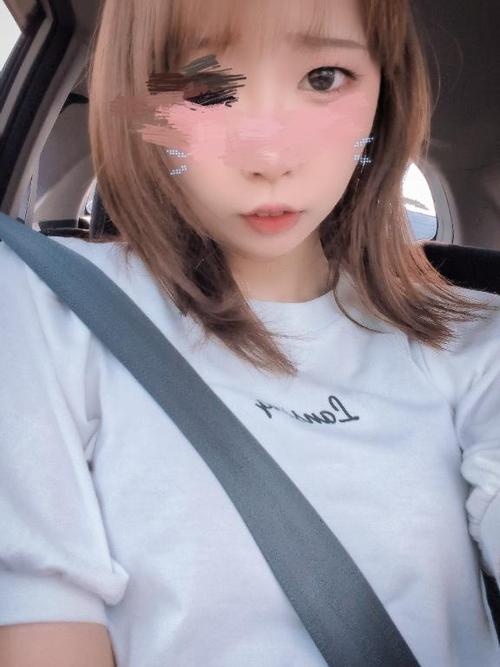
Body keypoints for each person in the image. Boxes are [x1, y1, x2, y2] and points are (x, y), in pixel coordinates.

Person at [0, 0, 499, 665]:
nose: (269, 155)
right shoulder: (46, 305)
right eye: (205, 88)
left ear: (386, 93)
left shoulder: (472, 339)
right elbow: (43, 620)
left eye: (323, 78)